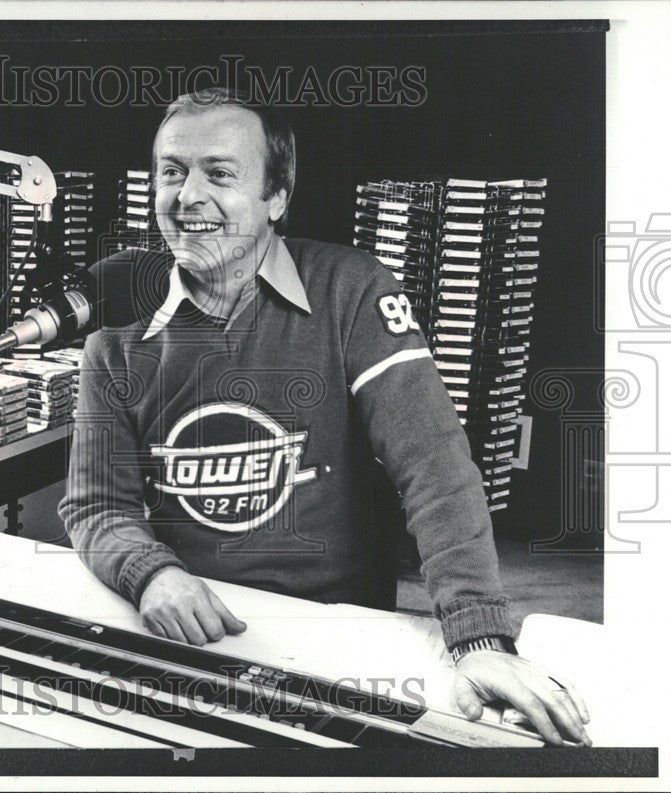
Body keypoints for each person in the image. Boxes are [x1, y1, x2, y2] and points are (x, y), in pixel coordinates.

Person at [58, 88, 590, 745]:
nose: (187, 194)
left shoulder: (353, 291)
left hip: (335, 633)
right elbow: (94, 505)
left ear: (277, 196)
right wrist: (152, 572)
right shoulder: (115, 331)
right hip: (190, 628)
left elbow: (435, 469)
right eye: (172, 170)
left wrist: (478, 634)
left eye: (219, 173)